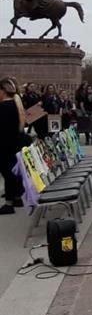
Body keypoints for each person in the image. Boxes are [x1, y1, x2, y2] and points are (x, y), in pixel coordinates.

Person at [0, 77, 26, 215]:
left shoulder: (4, 107)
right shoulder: (16, 106)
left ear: (3, 91)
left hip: (4, 145)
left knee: (8, 172)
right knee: (14, 172)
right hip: (14, 144)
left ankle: (9, 202)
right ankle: (17, 197)